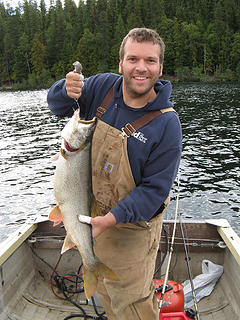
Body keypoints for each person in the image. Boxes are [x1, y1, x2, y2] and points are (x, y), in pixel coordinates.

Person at [47, 27, 182, 320]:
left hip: (131, 233)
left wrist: (109, 220)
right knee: (107, 295)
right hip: (92, 216)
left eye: (150, 61)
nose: (141, 68)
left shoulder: (167, 125)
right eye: (133, 59)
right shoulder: (102, 87)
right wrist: (63, 89)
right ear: (121, 64)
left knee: (130, 305)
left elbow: (154, 192)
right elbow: (58, 106)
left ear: (160, 67)